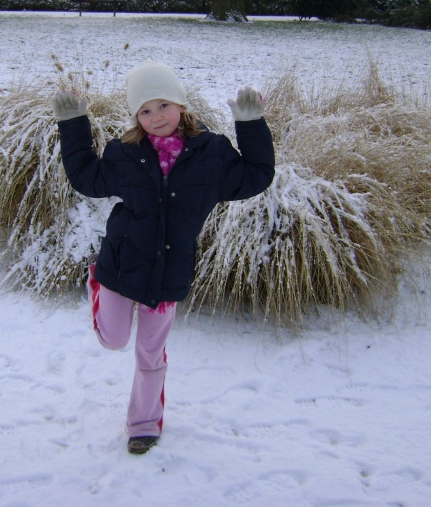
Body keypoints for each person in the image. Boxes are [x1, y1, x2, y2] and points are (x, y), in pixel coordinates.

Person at [51, 60, 275, 454]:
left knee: (150, 354)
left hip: (171, 270)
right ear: (136, 117)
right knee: (115, 340)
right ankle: (96, 283)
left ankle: (143, 425)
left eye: (163, 105)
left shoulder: (214, 154)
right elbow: (87, 177)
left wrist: (250, 124)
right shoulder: (125, 154)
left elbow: (256, 175)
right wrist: (73, 124)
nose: (156, 117)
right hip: (121, 265)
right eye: (145, 110)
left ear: (181, 106)